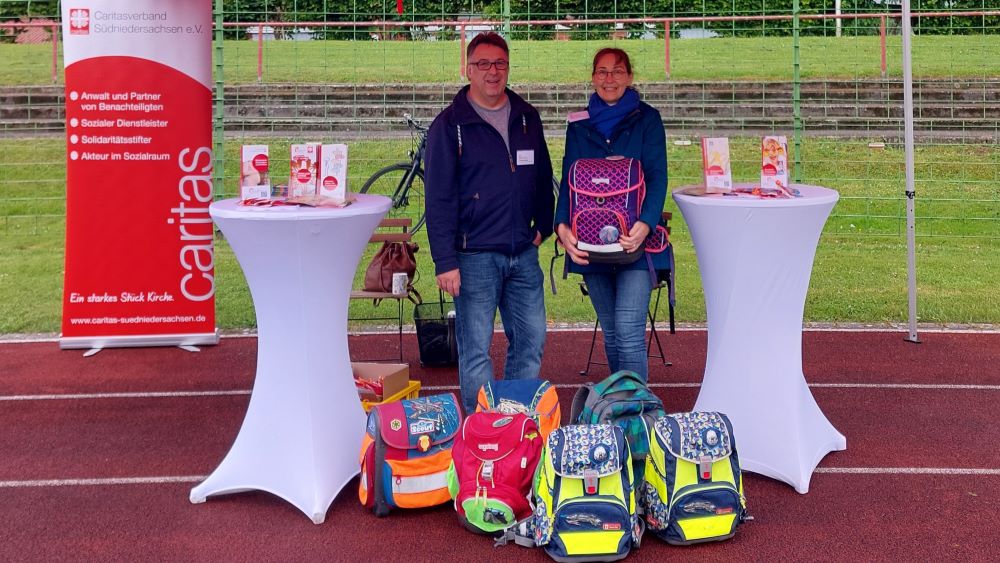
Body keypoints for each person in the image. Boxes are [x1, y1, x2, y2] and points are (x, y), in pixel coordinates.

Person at [424, 32, 555, 413]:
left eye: (499, 63)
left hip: (522, 253)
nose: (492, 72)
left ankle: (513, 423)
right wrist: (445, 261)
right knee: (476, 350)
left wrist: (543, 226)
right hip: (474, 257)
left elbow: (542, 176)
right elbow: (439, 198)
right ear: (467, 69)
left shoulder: (527, 117)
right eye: (483, 64)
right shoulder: (449, 126)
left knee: (531, 341)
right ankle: (480, 430)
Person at [554, 47, 668, 382]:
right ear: (592, 78)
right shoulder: (578, 124)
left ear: (630, 77)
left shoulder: (647, 119)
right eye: (602, 72)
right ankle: (618, 409)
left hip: (634, 244)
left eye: (617, 71)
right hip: (590, 247)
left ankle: (638, 415)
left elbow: (658, 176)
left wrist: (645, 225)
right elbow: (568, 179)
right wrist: (562, 227)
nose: (609, 79)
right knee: (613, 333)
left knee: (630, 333)